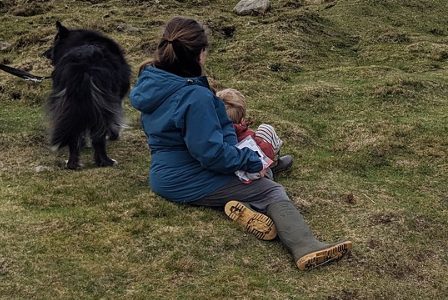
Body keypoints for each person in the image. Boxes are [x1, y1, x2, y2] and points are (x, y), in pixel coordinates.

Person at [130, 17, 351, 271]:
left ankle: (247, 201)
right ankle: (305, 247)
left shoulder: (154, 81)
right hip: (187, 177)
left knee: (257, 169)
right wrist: (247, 160)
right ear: (200, 54)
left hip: (165, 173)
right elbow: (209, 153)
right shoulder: (193, 95)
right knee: (270, 190)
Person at [216, 87, 293, 176]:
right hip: (251, 169)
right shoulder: (245, 136)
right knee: (266, 130)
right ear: (242, 117)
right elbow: (265, 151)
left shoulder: (212, 132)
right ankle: (273, 165)